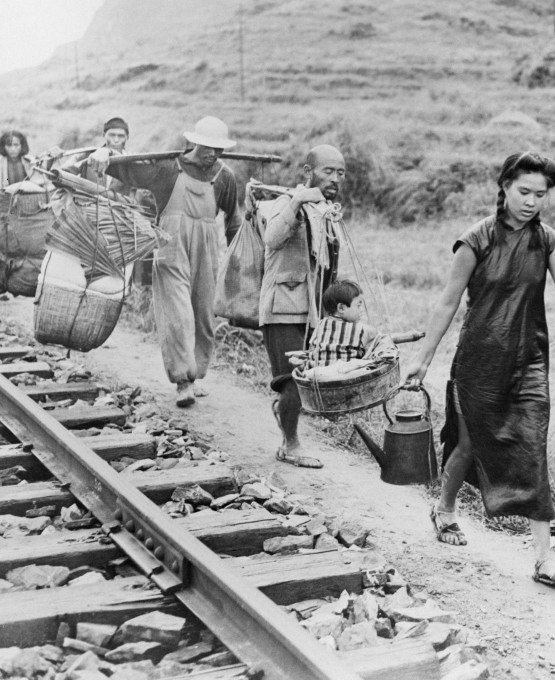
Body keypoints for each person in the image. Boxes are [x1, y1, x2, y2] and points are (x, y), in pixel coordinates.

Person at [404, 151, 555, 586]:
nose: (531, 201)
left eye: (540, 195)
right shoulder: (477, 239)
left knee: (532, 447)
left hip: (529, 360)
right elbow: (449, 301)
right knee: (470, 444)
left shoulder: (547, 240)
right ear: (505, 187)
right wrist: (423, 357)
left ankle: (544, 559)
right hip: (481, 360)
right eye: (523, 191)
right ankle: (445, 508)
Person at [89, 116, 241, 407]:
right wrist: (106, 154)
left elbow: (233, 219)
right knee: (177, 314)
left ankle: (194, 373)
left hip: (208, 251)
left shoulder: (224, 176)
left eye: (218, 149)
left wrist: (237, 260)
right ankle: (182, 380)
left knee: (203, 317)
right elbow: (130, 170)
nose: (212, 153)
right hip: (169, 246)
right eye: (207, 147)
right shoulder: (169, 168)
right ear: (194, 142)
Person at [259, 144, 347, 468]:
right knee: (294, 380)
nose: (335, 178)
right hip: (283, 307)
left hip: (312, 312)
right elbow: (272, 237)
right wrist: (297, 200)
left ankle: (286, 418)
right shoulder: (286, 203)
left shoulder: (326, 212)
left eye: (340, 173)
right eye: (328, 171)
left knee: (305, 378)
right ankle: (290, 445)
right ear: (309, 173)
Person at [308, 279, 377, 367]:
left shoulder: (320, 325)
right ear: (341, 308)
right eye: (358, 305)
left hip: (318, 373)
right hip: (347, 375)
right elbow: (381, 338)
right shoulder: (360, 329)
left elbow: (312, 349)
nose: (361, 310)